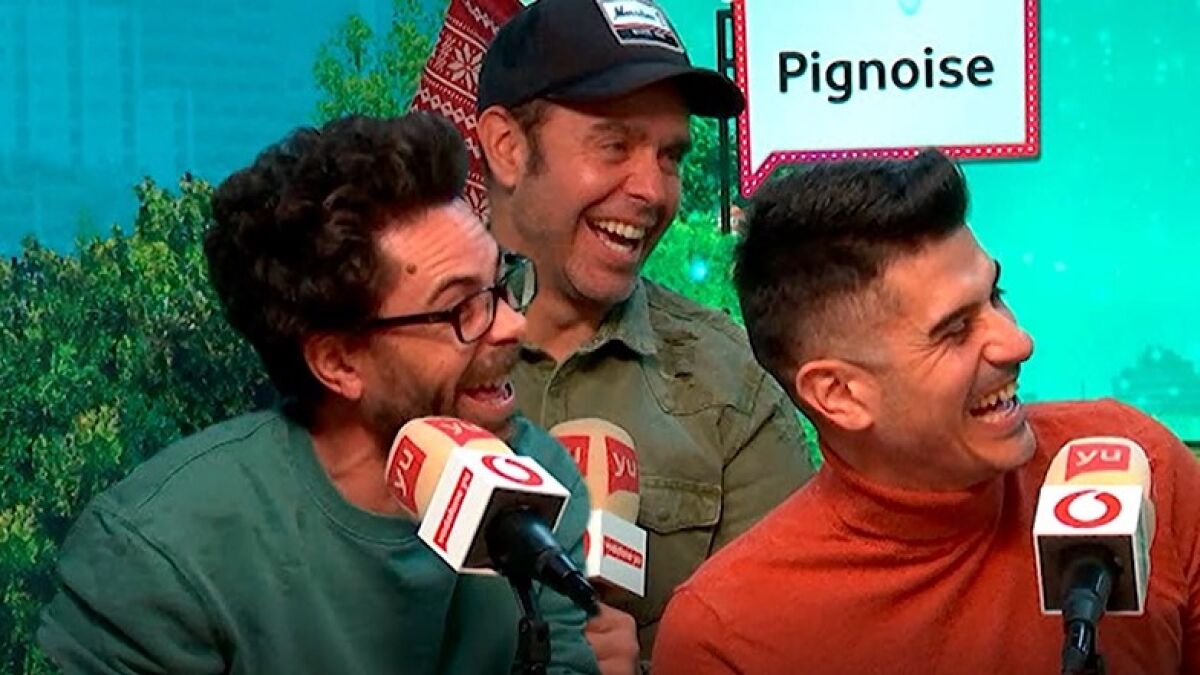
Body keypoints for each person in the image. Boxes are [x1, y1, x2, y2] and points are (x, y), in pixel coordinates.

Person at [37, 112, 602, 674]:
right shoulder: (158, 556)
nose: (513, 325)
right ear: (338, 363)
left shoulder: (537, 483)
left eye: (502, 284)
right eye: (461, 308)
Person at [651, 149, 1200, 674]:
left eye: (997, 295)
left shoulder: (1136, 461)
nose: (1018, 342)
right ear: (838, 394)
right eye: (955, 330)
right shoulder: (727, 636)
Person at [474, 0, 816, 665]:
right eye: (615, 146)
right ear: (508, 147)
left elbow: (784, 650)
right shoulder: (391, 359)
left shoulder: (732, 387)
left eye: (670, 156)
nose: (654, 191)